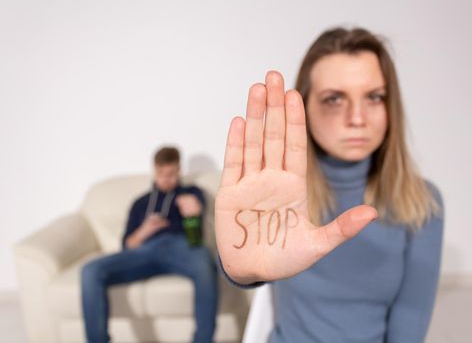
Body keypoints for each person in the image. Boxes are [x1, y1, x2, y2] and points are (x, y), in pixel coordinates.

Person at [215, 27, 445, 343]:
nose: (357, 118)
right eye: (334, 98)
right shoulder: (280, 196)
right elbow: (243, 258)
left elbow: (410, 321)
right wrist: (242, 272)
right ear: (305, 106)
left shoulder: (422, 202)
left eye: (374, 97)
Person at [81, 146, 218, 343]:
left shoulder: (192, 193)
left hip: (181, 248)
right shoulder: (141, 203)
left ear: (179, 169)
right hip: (144, 251)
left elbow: (196, 239)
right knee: (90, 270)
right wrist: (146, 230)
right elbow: (128, 245)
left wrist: (193, 215)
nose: (166, 179)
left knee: (204, 260)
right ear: (154, 170)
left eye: (171, 173)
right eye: (161, 173)